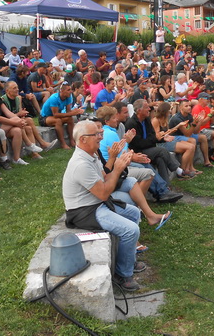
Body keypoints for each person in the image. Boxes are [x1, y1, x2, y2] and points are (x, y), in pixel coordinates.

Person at [62, 119, 144, 292]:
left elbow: (104, 179)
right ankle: (123, 275)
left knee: (134, 213)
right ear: (83, 139)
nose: (101, 137)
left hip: (96, 204)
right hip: (84, 211)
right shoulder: (80, 164)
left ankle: (130, 260)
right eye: (96, 134)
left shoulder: (90, 155)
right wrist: (117, 168)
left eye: (100, 133)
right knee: (131, 230)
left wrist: (118, 165)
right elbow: (104, 192)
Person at [125, 99, 185, 181]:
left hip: (149, 148)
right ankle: (178, 170)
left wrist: (162, 139)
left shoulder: (146, 120)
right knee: (162, 151)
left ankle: (165, 186)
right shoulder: (131, 123)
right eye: (147, 107)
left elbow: (152, 136)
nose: (149, 109)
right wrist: (155, 138)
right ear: (139, 110)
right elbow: (139, 144)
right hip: (138, 151)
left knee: (160, 159)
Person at [40, 82, 84, 149]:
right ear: (62, 91)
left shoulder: (69, 97)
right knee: (58, 121)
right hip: (44, 117)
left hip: (54, 116)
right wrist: (72, 113)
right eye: (68, 90)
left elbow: (68, 112)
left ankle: (72, 140)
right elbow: (56, 115)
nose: (71, 91)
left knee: (70, 119)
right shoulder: (54, 98)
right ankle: (63, 143)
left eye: (70, 89)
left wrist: (76, 111)